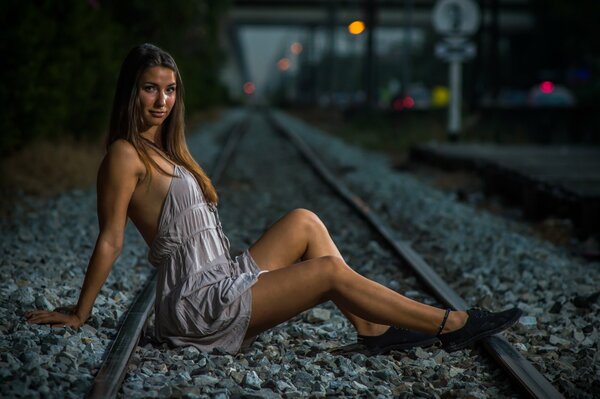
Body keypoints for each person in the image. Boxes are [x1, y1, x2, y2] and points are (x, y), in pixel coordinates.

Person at [26, 43, 521, 355]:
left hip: (219, 278)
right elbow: (110, 239)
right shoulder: (123, 155)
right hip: (196, 303)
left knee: (304, 220)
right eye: (150, 89)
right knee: (328, 274)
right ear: (130, 93)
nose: (162, 100)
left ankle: (372, 330)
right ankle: (450, 324)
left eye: (170, 90)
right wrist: (81, 312)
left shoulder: (167, 150)